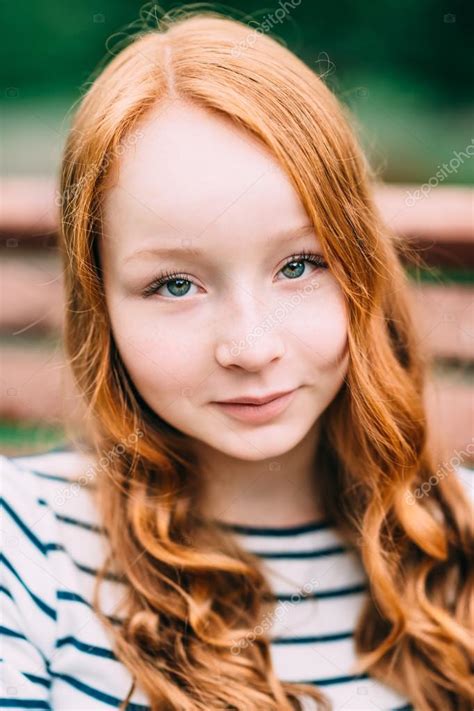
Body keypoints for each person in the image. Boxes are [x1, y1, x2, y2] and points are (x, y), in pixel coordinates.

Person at [1, 8, 473, 711]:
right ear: (101, 304)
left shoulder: (459, 541)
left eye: (300, 265)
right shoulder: (24, 548)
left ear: (362, 266)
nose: (252, 348)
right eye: (175, 284)